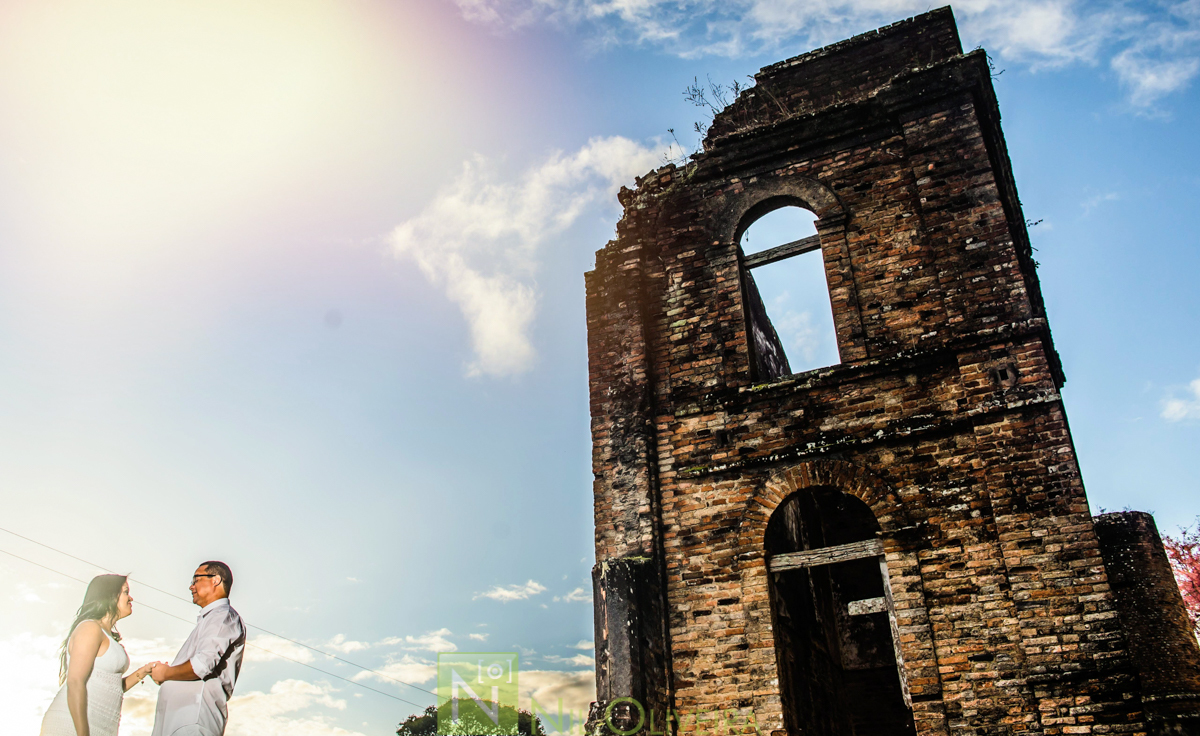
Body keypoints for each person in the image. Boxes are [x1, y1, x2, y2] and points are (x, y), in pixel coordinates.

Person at [40, 574, 164, 736]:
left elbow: (112, 687)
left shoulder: (108, 635)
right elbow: (75, 681)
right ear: (110, 596)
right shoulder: (90, 628)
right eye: (126, 592)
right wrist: (83, 733)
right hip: (72, 725)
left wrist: (143, 671)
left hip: (101, 726)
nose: (131, 598)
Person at [151, 561, 246, 736]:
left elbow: (202, 665)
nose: (191, 586)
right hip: (181, 722)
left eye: (195, 579)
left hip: (193, 721)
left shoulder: (222, 615)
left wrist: (165, 673)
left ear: (215, 580)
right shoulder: (210, 619)